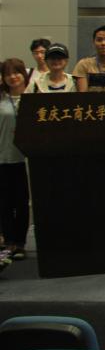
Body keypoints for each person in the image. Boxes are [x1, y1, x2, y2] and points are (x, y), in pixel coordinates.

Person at [0, 59, 30, 260]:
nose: (12, 77)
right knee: (4, 203)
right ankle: (9, 242)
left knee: (22, 203)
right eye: (8, 74)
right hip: (3, 157)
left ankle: (20, 243)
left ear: (23, 74)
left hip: (25, 160)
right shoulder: (1, 99)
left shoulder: (33, 97)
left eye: (16, 72)